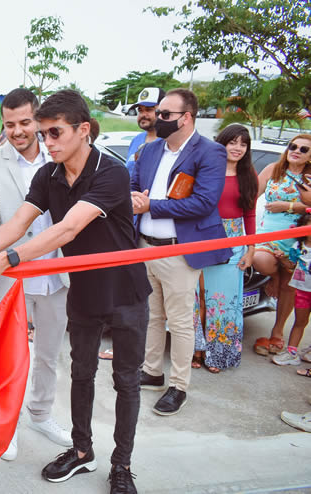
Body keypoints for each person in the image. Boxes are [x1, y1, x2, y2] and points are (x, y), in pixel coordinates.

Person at [0, 89, 151, 494]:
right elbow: (16, 224)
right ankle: (82, 450)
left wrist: (7, 260)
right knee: (81, 375)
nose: (47, 142)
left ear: (83, 130)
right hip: (83, 291)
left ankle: (121, 464)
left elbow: (67, 228)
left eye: (56, 133)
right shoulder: (48, 175)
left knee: (126, 382)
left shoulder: (112, 172)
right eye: (44, 133)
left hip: (125, 292)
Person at [0, 87, 71, 461]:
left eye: (25, 122)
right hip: (10, 274)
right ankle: (6, 424)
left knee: (49, 354)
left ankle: (41, 415)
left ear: (38, 119)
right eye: (9, 124)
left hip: (58, 273)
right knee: (8, 357)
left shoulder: (61, 155)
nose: (17, 131)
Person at [131, 88, 231, 416]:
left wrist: (151, 205)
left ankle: (178, 386)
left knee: (180, 321)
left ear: (186, 118)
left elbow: (203, 202)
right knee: (151, 315)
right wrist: (133, 197)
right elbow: (133, 185)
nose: (157, 118)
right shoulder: (150, 150)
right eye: (158, 113)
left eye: (165, 114)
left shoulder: (210, 152)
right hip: (144, 247)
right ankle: (152, 371)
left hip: (179, 251)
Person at [191, 124, 258, 372]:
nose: (238, 148)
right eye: (233, 142)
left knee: (223, 301)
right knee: (198, 298)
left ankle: (218, 355)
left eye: (243, 144)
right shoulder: (206, 170)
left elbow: (250, 214)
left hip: (233, 243)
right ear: (222, 143)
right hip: (203, 237)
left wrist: (251, 249)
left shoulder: (248, 175)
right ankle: (196, 350)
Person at [252, 134, 311, 356]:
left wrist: (289, 206)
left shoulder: (309, 177)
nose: (296, 151)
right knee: (260, 260)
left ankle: (277, 332)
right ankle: (274, 277)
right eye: (293, 146)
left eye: (303, 149)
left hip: (297, 238)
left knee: (289, 286)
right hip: (267, 233)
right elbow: (251, 196)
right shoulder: (273, 169)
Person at [271, 212, 311, 366]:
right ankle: (292, 353)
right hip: (302, 292)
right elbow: (291, 267)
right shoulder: (297, 247)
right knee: (300, 321)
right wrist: (282, 258)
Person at [125, 88, 165, 175]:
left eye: (149, 109)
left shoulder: (169, 143)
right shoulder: (136, 140)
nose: (143, 115)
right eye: (140, 110)